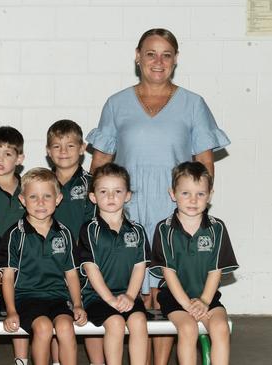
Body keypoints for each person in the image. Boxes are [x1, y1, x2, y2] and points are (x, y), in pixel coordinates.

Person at [86, 28, 230, 364]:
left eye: (166, 54)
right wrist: (101, 208)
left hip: (173, 210)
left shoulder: (193, 104)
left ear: (176, 59)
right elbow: (100, 162)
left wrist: (195, 208)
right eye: (151, 53)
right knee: (136, 296)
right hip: (127, 211)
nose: (158, 61)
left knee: (164, 296)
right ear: (137, 56)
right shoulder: (116, 103)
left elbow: (205, 164)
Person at [150, 162, 238, 365]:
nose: (193, 200)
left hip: (206, 296)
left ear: (210, 195)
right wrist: (186, 304)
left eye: (200, 194)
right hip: (175, 298)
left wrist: (205, 301)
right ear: (173, 194)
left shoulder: (217, 228)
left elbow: (216, 270)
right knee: (188, 329)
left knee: (220, 328)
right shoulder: (164, 229)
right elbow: (168, 272)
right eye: (185, 193)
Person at [0, 168, 86, 365]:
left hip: (57, 297)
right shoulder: (14, 235)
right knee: (44, 327)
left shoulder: (64, 233)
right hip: (26, 298)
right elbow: (8, 277)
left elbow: (71, 274)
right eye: (33, 196)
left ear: (58, 199)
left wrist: (78, 304)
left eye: (47, 196)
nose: (41, 202)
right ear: (22, 200)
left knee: (65, 327)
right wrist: (11, 310)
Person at [76, 163, 149, 365]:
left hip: (128, 295)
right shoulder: (89, 230)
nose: (110, 197)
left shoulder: (137, 231)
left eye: (117, 191)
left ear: (128, 195)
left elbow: (139, 267)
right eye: (103, 191)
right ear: (93, 197)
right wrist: (110, 300)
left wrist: (130, 296)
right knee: (116, 323)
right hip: (97, 298)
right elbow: (91, 269)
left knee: (139, 321)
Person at [46, 119, 100, 364]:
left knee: (91, 316)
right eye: (57, 146)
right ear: (48, 151)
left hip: (84, 264)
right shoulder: (42, 183)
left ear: (82, 149)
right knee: (59, 317)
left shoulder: (93, 183)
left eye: (70, 146)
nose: (63, 152)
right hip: (52, 262)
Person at [0, 126, 27, 364]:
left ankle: (21, 360)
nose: (0, 159)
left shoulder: (30, 190)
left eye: (7, 153)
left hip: (23, 265)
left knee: (18, 310)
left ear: (19, 158)